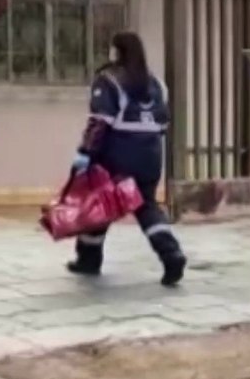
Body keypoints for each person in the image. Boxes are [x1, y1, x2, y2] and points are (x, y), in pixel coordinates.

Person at [67, 31, 187, 287]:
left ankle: (88, 259)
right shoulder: (156, 83)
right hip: (151, 155)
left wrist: (85, 154)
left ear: (116, 51)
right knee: (146, 206)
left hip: (119, 153)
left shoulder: (108, 80)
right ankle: (171, 253)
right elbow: (163, 123)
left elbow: (100, 122)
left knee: (99, 203)